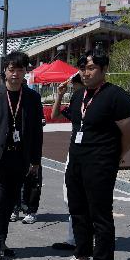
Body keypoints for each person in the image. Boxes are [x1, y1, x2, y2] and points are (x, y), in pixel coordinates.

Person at [53, 50, 130, 260]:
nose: (86, 72)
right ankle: (82, 254)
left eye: (91, 68)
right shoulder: (80, 96)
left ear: (103, 70)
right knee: (77, 209)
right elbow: (66, 119)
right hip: (77, 161)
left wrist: (117, 155)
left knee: (100, 214)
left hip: (101, 163)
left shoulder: (116, 96)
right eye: (83, 68)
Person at [0, 51, 44, 260]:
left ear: (25, 72)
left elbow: (37, 132)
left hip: (20, 158)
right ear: (4, 71)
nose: (15, 74)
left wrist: (35, 160)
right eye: (11, 69)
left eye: (20, 70)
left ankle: (2, 241)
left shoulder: (32, 97)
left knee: (9, 203)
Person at [50, 73, 84, 250]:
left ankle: (83, 238)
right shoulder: (77, 99)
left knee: (83, 196)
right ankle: (74, 238)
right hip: (75, 151)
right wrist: (60, 95)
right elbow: (55, 115)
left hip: (91, 153)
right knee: (70, 194)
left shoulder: (98, 99)